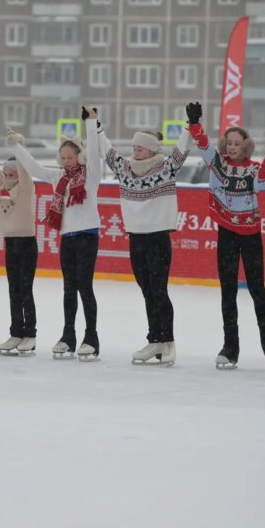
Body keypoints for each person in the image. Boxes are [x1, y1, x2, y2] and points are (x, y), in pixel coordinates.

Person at [185, 102, 265, 369]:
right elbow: (203, 145)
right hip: (226, 232)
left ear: (246, 146)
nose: (231, 147)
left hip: (250, 234)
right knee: (228, 292)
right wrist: (195, 123)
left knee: (257, 289)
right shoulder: (218, 164)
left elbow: (262, 182)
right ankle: (230, 347)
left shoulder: (254, 169)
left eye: (237, 143)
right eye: (229, 142)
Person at [94, 114, 192, 366]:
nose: (134, 150)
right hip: (135, 237)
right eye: (134, 147)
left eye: (139, 147)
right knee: (147, 290)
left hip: (158, 237)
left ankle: (168, 341)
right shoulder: (124, 170)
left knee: (158, 290)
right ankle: (155, 340)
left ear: (151, 149)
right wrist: (94, 125)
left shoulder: (166, 168)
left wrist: (190, 125)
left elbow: (181, 151)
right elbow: (107, 151)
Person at [10, 106, 103, 360]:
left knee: (85, 287)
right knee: (68, 288)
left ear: (79, 156)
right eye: (62, 157)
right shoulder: (59, 179)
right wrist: (16, 146)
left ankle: (91, 337)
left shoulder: (91, 175)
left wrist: (91, 123)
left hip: (87, 236)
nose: (65, 161)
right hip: (68, 239)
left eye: (70, 156)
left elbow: (94, 151)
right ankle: (68, 335)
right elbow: (34, 168)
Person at [0, 141, 37, 356]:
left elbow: (25, 170)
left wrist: (18, 146)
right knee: (13, 290)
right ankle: (16, 331)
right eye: (5, 172)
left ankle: (30, 334)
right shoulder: (2, 187)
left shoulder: (25, 188)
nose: (7, 175)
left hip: (26, 243)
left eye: (12, 172)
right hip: (10, 243)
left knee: (25, 290)